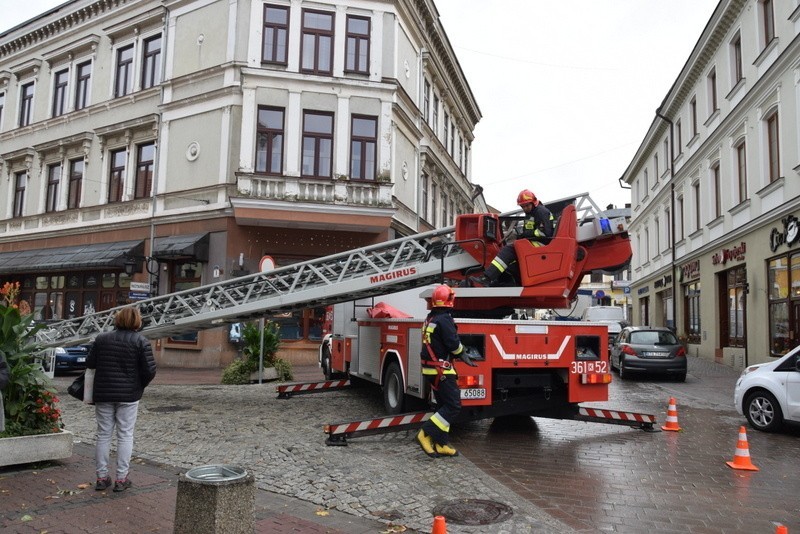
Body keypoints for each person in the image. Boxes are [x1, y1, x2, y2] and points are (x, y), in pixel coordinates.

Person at [87, 306, 156, 492]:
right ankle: (121, 479)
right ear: (137, 321)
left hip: (103, 393)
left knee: (103, 434)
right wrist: (139, 384)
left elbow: (90, 363)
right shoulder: (141, 341)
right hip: (129, 395)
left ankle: (101, 478)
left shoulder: (102, 339)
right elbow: (149, 370)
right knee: (125, 434)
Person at [416, 285, 477, 458]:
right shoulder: (445, 319)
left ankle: (441, 444)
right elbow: (453, 344)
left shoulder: (430, 318)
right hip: (442, 371)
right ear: (450, 300)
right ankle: (425, 433)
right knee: (453, 406)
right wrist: (464, 355)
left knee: (443, 406)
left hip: (431, 369)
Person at [472, 189, 555, 287]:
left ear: (533, 202)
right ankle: (497, 283)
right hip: (535, 243)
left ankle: (487, 277)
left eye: (527, 205)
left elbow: (546, 233)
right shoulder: (531, 213)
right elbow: (528, 232)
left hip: (542, 245)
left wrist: (528, 234)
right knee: (512, 264)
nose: (525, 208)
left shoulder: (541, 212)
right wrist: (521, 236)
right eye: (522, 206)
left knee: (509, 250)